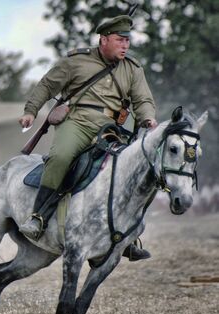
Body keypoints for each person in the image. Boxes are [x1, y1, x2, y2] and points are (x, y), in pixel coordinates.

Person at [17, 15, 157, 261]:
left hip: (111, 128)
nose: (125, 45)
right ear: (104, 39)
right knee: (60, 157)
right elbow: (47, 85)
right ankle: (38, 216)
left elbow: (143, 99)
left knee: (131, 167)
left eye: (127, 41)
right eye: (120, 40)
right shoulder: (76, 61)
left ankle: (128, 236)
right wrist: (30, 111)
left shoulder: (132, 69)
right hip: (77, 122)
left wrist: (147, 118)